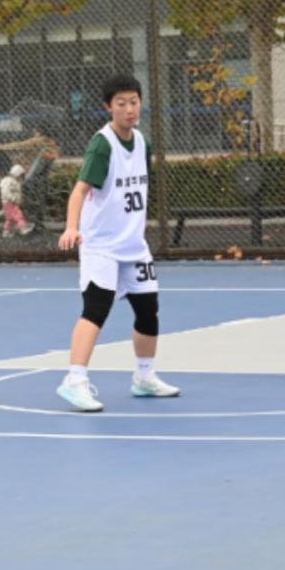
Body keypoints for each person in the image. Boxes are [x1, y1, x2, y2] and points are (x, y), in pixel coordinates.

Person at [55, 74, 178, 412]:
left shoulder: (142, 143)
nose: (129, 109)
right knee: (96, 309)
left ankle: (144, 376)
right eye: (121, 103)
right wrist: (71, 227)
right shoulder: (102, 145)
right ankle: (74, 380)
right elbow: (80, 191)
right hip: (101, 246)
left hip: (133, 246)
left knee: (148, 310)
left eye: (134, 102)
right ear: (108, 107)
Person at [0, 161, 29, 237]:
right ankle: (23, 228)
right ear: (17, 174)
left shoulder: (14, 181)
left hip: (8, 203)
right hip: (9, 202)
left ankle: (6, 231)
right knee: (18, 215)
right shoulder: (9, 181)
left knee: (10, 219)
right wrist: (14, 198)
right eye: (20, 175)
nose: (21, 177)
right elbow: (6, 192)